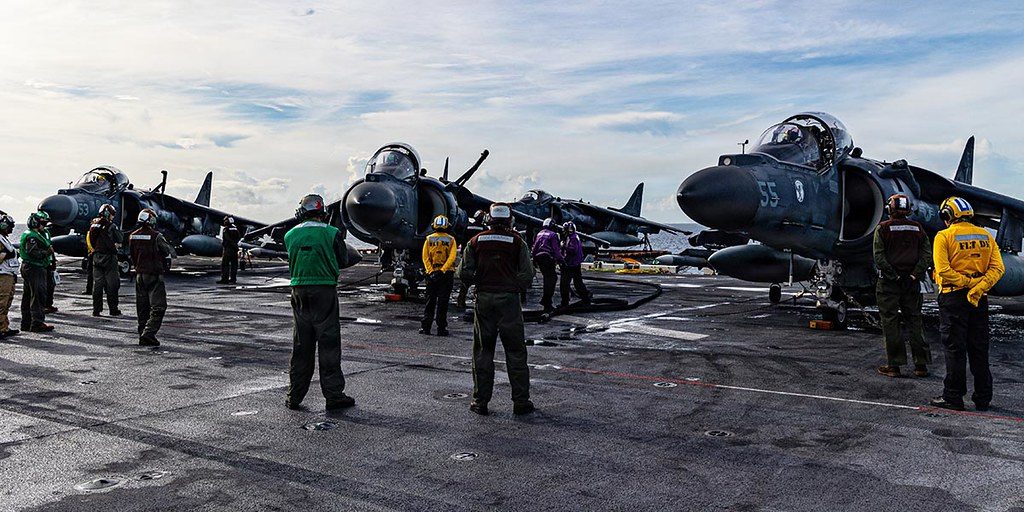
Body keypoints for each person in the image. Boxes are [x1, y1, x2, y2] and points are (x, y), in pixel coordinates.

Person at [459, 203, 536, 416]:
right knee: (516, 352)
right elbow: (528, 275)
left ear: (489, 220)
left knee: (483, 352)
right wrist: (512, 286)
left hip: (484, 300)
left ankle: (480, 402)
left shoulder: (475, 242)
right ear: (510, 220)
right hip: (509, 302)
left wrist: (480, 282)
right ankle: (521, 402)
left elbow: (463, 273)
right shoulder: (517, 242)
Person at [929, 197, 1004, 411]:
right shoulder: (985, 236)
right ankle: (983, 397)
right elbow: (998, 269)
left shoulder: (943, 236)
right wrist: (978, 287)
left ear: (948, 215)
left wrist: (967, 283)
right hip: (979, 299)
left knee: (955, 348)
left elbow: (943, 271)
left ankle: (953, 396)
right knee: (979, 348)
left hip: (953, 298)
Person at [283, 194, 354, 411]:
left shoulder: (290, 235)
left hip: (299, 292)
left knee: (301, 345)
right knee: (328, 343)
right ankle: (333, 395)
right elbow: (343, 260)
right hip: (324, 292)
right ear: (322, 212)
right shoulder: (332, 233)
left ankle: (294, 396)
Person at [873, 194, 931, 378]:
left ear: (890, 209)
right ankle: (921, 366)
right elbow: (926, 255)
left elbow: (879, 257)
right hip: (912, 283)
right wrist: (915, 274)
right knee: (914, 320)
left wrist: (894, 275)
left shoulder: (882, 228)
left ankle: (894, 366)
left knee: (890, 322)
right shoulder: (918, 228)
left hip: (890, 284)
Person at [129, 208, 174, 346]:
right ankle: (148, 334)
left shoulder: (132, 235)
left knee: (142, 307)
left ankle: (142, 333)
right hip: (154, 275)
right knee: (159, 307)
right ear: (151, 220)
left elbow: (132, 255)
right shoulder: (156, 236)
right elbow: (167, 250)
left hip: (139, 275)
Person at [420, 215, 457, 336]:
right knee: (443, 303)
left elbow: (425, 257)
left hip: (431, 274)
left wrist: (431, 271)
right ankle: (441, 329)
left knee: (430, 302)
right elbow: (452, 257)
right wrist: (443, 270)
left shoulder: (429, 239)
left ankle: (426, 328)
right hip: (446, 275)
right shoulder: (451, 240)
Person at [19, 211, 55, 332]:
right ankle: (37, 323)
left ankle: (26, 323)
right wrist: (48, 253)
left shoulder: (32, 234)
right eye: (43, 223)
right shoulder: (33, 236)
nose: (44, 226)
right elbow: (33, 253)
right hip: (35, 268)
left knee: (28, 295)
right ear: (36, 223)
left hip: (29, 267)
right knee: (38, 295)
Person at [88, 203, 123, 316]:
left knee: (97, 284)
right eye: (112, 215)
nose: (113, 217)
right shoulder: (111, 225)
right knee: (112, 284)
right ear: (108, 214)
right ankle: (113, 309)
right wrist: (114, 246)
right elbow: (120, 238)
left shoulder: (93, 225)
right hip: (109, 258)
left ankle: (96, 310)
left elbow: (92, 240)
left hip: (96, 257)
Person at [456, 210, 488, 309]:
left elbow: (462, 240)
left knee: (465, 279)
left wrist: (463, 254)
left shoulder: (467, 227)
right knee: (481, 279)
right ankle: (479, 301)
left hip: (468, 255)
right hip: (480, 256)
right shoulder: (484, 229)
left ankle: (460, 301)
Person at [531, 218, 563, 312]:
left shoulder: (539, 233)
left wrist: (534, 259)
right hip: (547, 258)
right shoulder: (553, 235)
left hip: (539, 258)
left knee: (546, 279)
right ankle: (547, 302)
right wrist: (561, 260)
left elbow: (535, 247)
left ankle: (546, 301)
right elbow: (556, 249)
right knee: (552, 279)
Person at [559, 221, 592, 308]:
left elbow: (573, 250)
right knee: (574, 283)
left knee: (566, 284)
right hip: (571, 264)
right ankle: (585, 300)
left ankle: (566, 303)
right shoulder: (570, 237)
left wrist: (563, 246)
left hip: (572, 265)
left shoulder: (573, 238)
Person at [0, 212, 20, 338]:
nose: (11, 229)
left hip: (9, 274)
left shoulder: (3, 238)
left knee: (7, 302)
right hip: (3, 275)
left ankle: (4, 326)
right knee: (1, 302)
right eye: (9, 226)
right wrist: (9, 255)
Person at [217, 216, 241, 284]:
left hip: (228, 249)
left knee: (225, 264)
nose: (224, 222)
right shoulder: (235, 229)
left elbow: (227, 238)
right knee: (234, 265)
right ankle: (233, 279)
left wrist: (229, 243)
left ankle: (225, 279)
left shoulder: (226, 229)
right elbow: (239, 237)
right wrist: (235, 244)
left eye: (225, 221)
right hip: (235, 249)